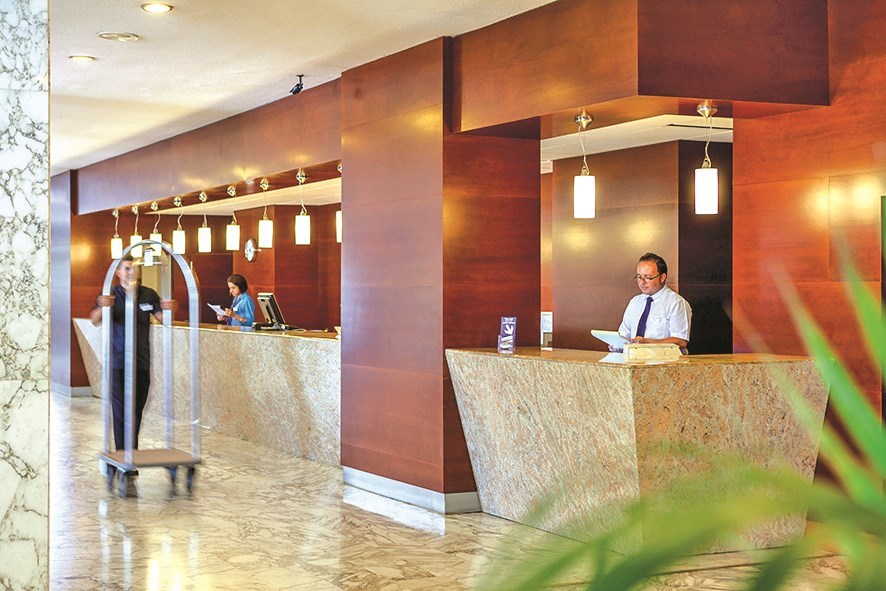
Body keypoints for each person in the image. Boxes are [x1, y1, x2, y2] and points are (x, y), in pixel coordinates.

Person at [90, 255, 175, 493]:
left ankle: (130, 458)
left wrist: (169, 310)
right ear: (119, 272)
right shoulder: (111, 294)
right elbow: (94, 320)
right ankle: (124, 462)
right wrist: (102, 306)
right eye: (127, 269)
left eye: (134, 268)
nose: (131, 272)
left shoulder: (148, 295)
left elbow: (163, 319)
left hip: (141, 364)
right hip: (118, 363)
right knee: (120, 413)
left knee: (135, 413)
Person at [617, 252, 691, 351]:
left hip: (663, 359)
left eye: (648, 277)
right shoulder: (635, 302)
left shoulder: (676, 303)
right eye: (639, 277)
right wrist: (617, 344)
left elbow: (681, 341)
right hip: (633, 358)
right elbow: (624, 333)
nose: (642, 282)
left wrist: (647, 343)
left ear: (662, 277)